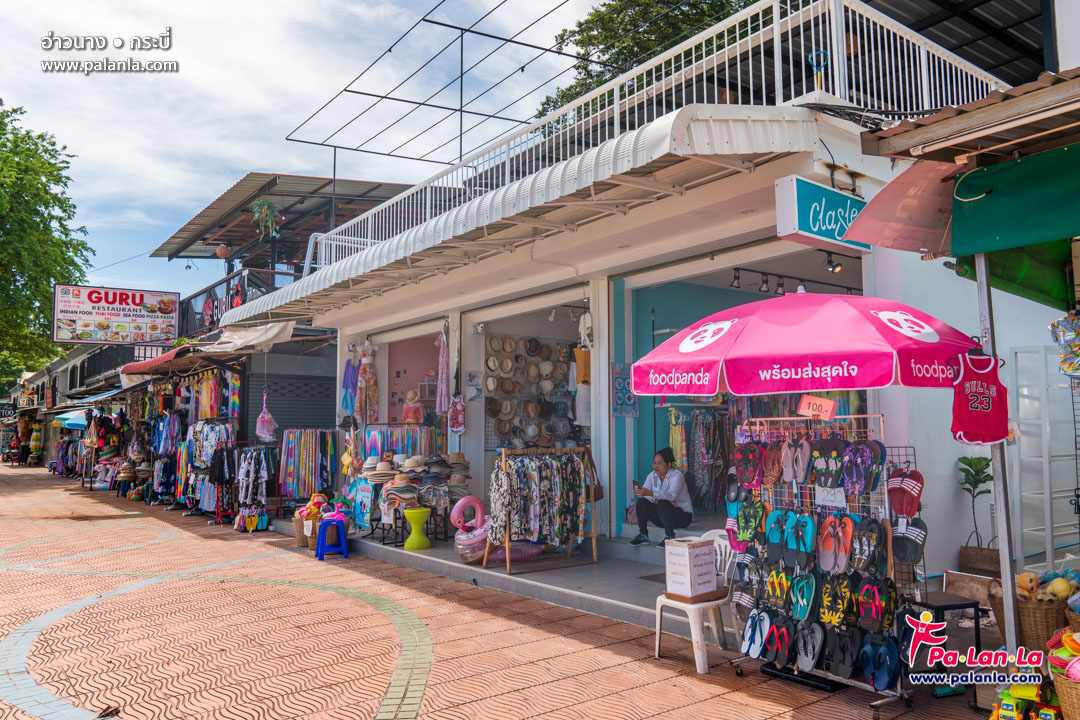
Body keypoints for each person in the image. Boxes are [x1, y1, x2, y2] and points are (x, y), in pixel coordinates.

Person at [629, 447, 693, 547]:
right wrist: (643, 493)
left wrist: (652, 494)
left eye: (660, 463)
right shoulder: (652, 476)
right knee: (642, 502)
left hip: (682, 517)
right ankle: (643, 535)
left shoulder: (677, 475)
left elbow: (671, 496)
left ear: (668, 464)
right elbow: (647, 495)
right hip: (664, 516)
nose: (656, 466)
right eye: (654, 463)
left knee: (663, 502)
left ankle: (670, 536)